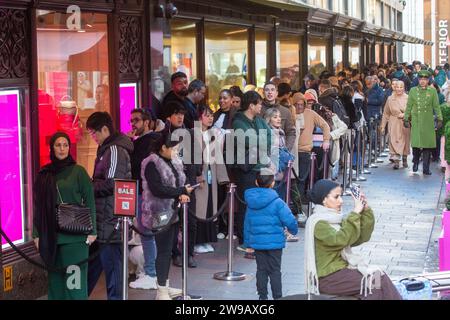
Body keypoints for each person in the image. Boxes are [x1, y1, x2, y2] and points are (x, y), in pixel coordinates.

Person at [304, 179, 402, 300]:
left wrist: (365, 210)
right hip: (328, 277)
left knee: (375, 288)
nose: (341, 201)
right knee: (378, 279)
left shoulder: (334, 219)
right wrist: (355, 212)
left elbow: (360, 237)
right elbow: (341, 239)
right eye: (336, 197)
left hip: (340, 273)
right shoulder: (318, 223)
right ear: (324, 200)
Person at [33, 132, 96, 300]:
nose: (62, 148)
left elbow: (90, 200)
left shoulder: (78, 172)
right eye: (58, 145)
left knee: (74, 286)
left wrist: (93, 231)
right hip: (51, 239)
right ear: (52, 148)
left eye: (65, 145)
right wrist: (36, 234)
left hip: (75, 239)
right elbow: (38, 206)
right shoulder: (44, 174)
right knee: (56, 284)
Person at [140, 131, 195, 300]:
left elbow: (177, 183)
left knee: (168, 250)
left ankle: (165, 285)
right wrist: (181, 191)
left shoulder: (172, 160)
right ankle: (161, 291)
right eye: (174, 148)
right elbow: (157, 189)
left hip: (173, 211)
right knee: (163, 251)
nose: (176, 152)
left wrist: (182, 192)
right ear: (163, 147)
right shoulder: (151, 163)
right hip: (158, 212)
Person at [86, 112, 133, 300]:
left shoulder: (114, 150)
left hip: (110, 222)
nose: (93, 138)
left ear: (104, 129)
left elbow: (113, 183)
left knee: (114, 271)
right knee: (96, 267)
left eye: (93, 133)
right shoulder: (107, 149)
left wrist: (89, 186)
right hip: (103, 220)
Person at [243, 172, 298, 300]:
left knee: (261, 270)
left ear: (256, 182)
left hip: (257, 242)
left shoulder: (251, 202)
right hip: (275, 243)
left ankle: (262, 297)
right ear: (273, 183)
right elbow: (289, 219)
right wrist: (293, 230)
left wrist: (248, 243)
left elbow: (247, 223)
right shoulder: (278, 202)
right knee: (275, 270)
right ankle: (278, 297)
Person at [127, 108, 164, 290]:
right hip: (151, 193)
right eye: (131, 121)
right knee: (150, 234)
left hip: (146, 194)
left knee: (147, 234)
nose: (133, 124)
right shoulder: (153, 140)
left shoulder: (146, 142)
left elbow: (135, 166)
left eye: (137, 120)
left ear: (147, 122)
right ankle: (152, 272)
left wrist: (128, 144)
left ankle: (151, 273)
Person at [232, 91, 272, 252]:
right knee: (245, 205)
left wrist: (259, 142)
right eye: (259, 104)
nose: (261, 106)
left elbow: (269, 137)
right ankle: (244, 239)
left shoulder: (260, 120)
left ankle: (255, 237)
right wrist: (259, 142)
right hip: (246, 169)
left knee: (258, 204)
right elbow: (248, 140)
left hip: (259, 167)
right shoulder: (238, 122)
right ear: (251, 105)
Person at [191, 106, 229, 254]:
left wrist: (223, 177)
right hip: (199, 175)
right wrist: (196, 174)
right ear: (200, 117)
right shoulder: (192, 134)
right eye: (207, 115)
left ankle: (206, 240)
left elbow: (218, 156)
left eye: (212, 116)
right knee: (200, 208)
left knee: (210, 207)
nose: (210, 118)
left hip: (211, 174)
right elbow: (190, 157)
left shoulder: (211, 133)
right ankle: (196, 242)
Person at [292, 92, 330, 205]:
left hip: (304, 151)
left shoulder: (311, 114)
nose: (299, 107)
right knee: (292, 179)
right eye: (297, 104)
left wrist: (326, 140)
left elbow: (325, 125)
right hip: (292, 151)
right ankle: (294, 202)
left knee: (301, 180)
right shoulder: (290, 113)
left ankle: (298, 204)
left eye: (301, 104)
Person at [404, 70, 443, 175]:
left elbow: (436, 106)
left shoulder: (432, 91)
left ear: (428, 80)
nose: (422, 81)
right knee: (416, 143)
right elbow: (409, 106)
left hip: (428, 121)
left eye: (425, 79)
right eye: (420, 79)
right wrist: (406, 118)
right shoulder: (412, 91)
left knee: (427, 145)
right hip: (416, 120)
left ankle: (426, 168)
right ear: (418, 79)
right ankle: (415, 161)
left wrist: (439, 118)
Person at [380, 81, 411, 169]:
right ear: (394, 87)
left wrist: (405, 115)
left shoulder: (408, 98)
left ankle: (404, 158)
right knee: (394, 140)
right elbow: (386, 113)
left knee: (405, 140)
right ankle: (396, 160)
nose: (399, 89)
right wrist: (383, 126)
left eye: (401, 87)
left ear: (404, 88)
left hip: (405, 123)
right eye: (397, 87)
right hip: (393, 122)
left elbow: (413, 110)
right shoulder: (390, 98)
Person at [262, 82, 297, 152]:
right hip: (261, 153)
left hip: (280, 153)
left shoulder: (285, 111)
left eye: (272, 90)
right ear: (263, 93)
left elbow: (291, 132)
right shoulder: (258, 110)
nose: (269, 92)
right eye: (267, 90)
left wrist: (286, 150)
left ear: (277, 93)